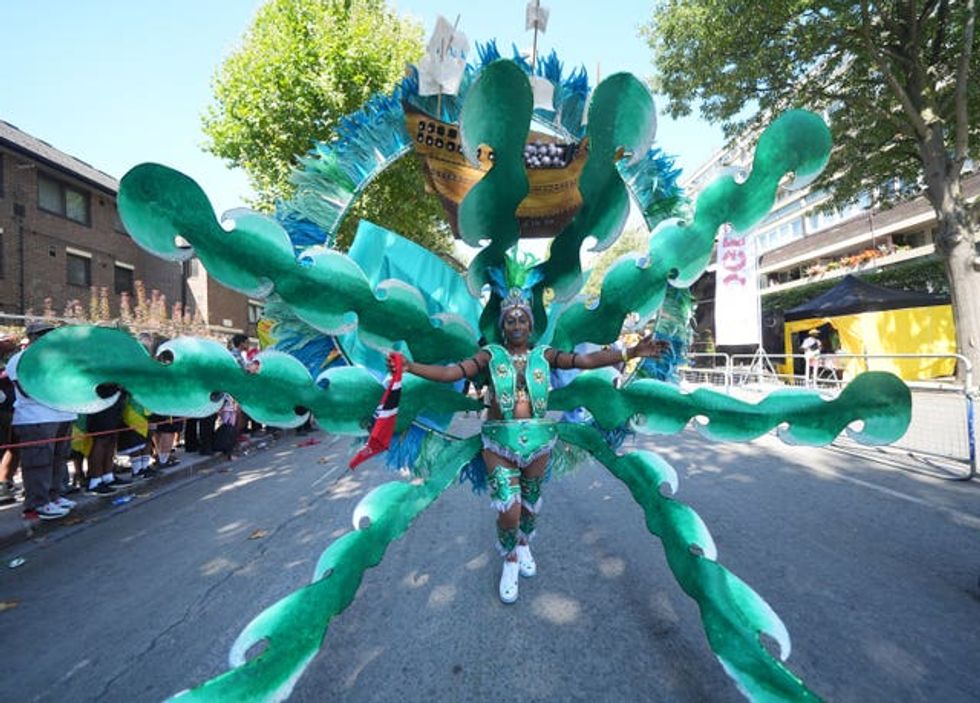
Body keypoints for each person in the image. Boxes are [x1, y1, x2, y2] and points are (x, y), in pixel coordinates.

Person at [395, 287, 668, 603]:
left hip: (539, 441)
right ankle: (509, 559)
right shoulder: (490, 355)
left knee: (530, 503)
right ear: (502, 326)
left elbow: (586, 359)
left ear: (530, 324)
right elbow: (450, 372)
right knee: (508, 510)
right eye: (510, 321)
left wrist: (628, 353)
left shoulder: (545, 355)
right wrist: (410, 367)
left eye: (521, 319)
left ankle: (523, 543)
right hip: (499, 441)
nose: (516, 325)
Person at [6, 321, 78, 520]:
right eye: (42, 334)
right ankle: (36, 504)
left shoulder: (57, 359)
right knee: (39, 462)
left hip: (63, 415)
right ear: (31, 337)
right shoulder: (20, 359)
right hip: (36, 418)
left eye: (49, 333)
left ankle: (53, 497)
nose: (47, 337)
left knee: (58, 459)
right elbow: (26, 390)